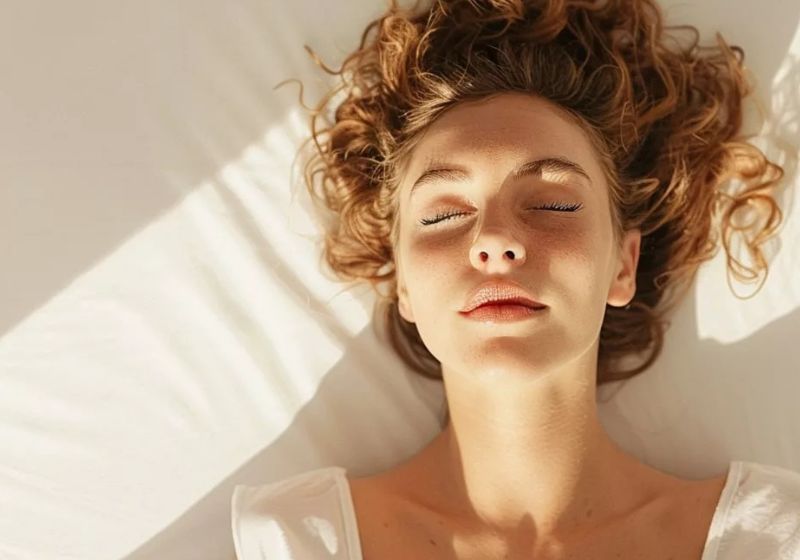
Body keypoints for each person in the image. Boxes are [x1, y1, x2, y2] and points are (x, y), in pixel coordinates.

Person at [232, 0, 800, 558]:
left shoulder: (773, 535)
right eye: (443, 214)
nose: (494, 240)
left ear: (621, 265)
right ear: (403, 281)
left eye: (553, 204)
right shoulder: (300, 540)